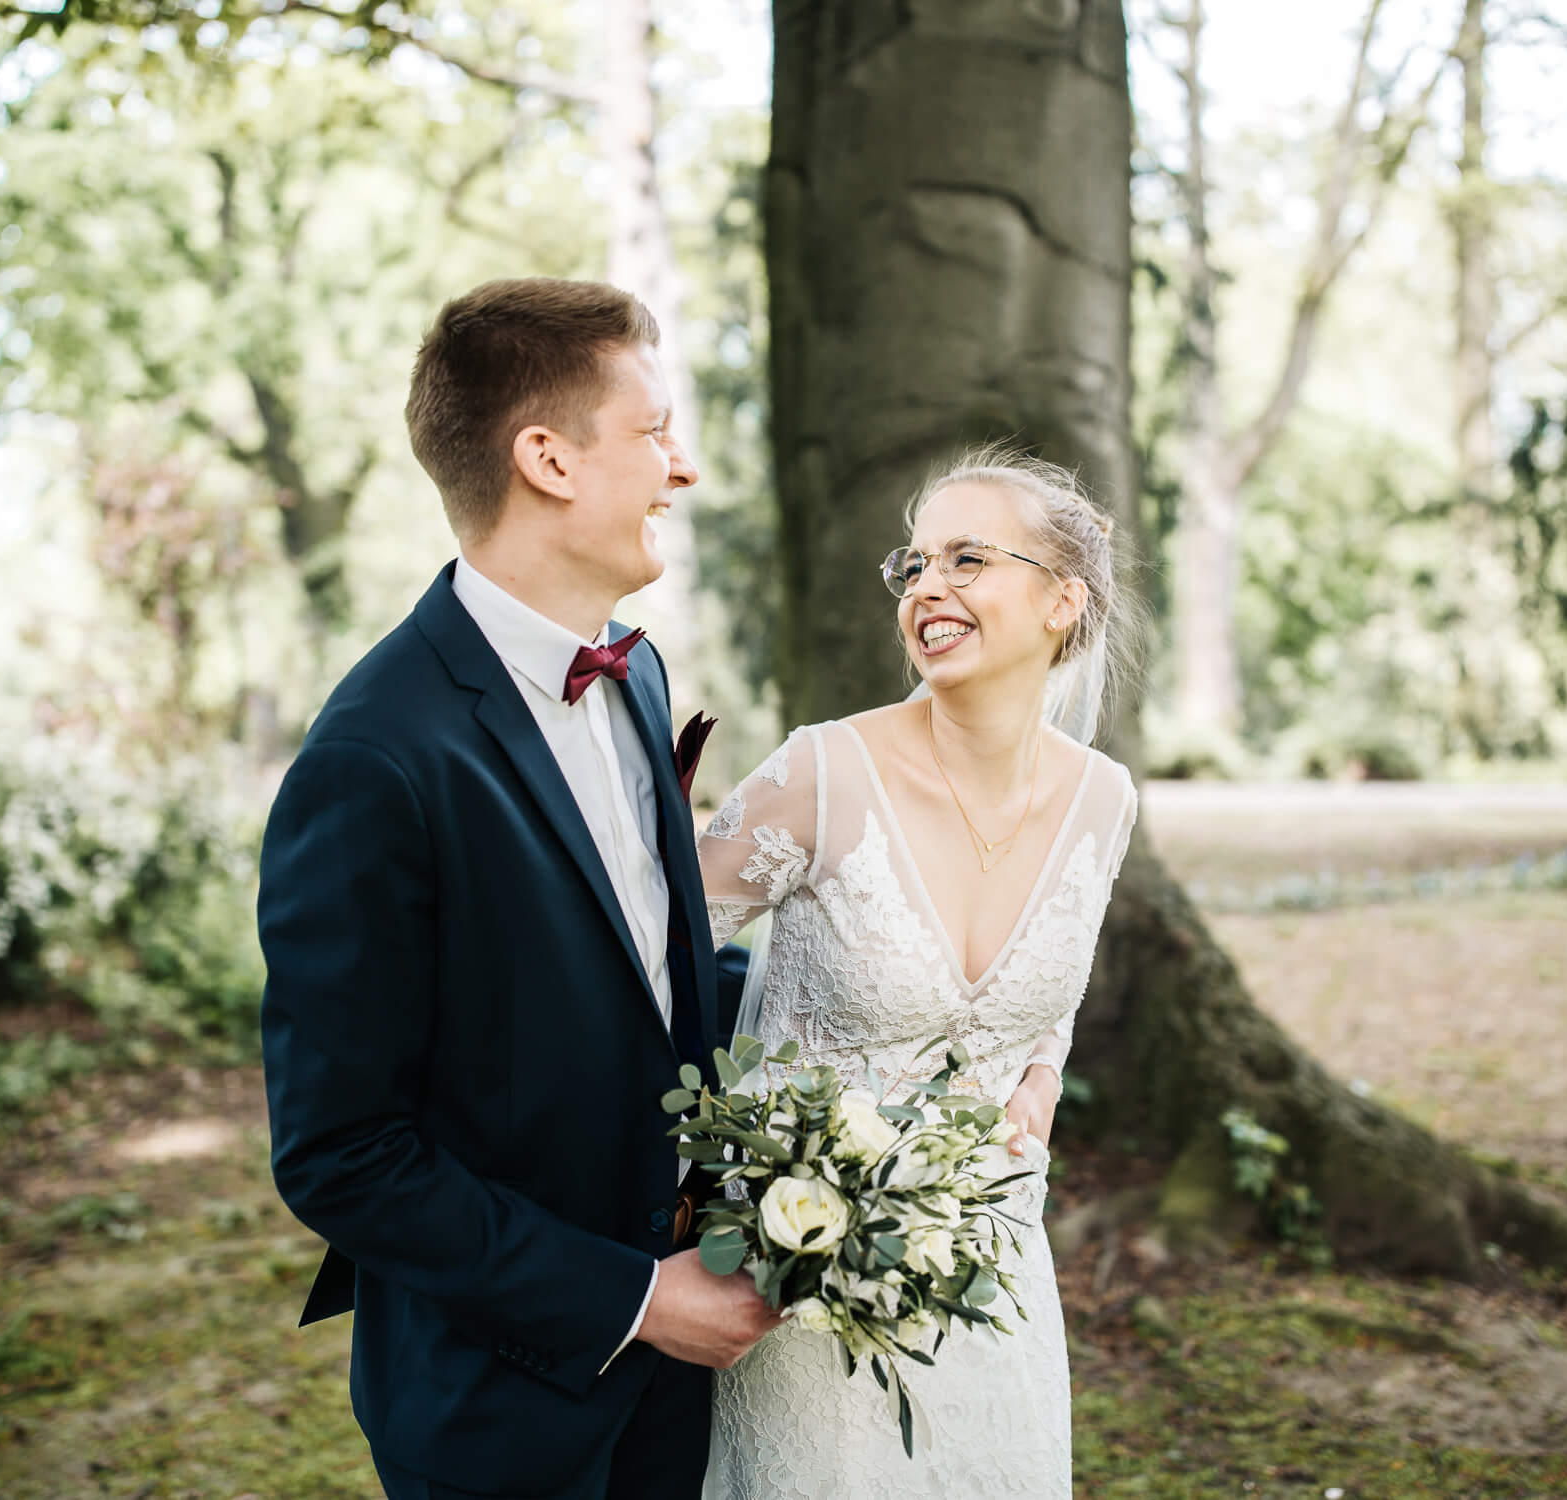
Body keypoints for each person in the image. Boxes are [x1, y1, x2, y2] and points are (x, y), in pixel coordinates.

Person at [257, 277, 779, 1500]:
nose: (682, 468)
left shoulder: (638, 677)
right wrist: (636, 1300)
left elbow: (643, 977)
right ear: (547, 459)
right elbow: (342, 1154)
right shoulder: (375, 760)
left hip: (682, 1385)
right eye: (654, 432)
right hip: (499, 1409)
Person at [698, 449, 1142, 1498]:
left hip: (994, 1280)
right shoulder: (820, 773)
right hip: (801, 1299)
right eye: (915, 565)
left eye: (967, 559)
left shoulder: (1104, 799)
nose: (926, 587)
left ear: (1062, 601)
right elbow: (636, 957)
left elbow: (1049, 996)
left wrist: (1040, 1076)